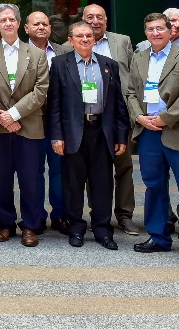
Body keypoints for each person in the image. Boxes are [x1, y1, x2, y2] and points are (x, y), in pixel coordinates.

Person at [126, 12, 179, 265]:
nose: (155, 33)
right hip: (148, 131)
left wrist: (165, 118)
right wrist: (140, 117)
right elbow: (129, 92)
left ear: (170, 31)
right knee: (153, 186)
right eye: (150, 29)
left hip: (178, 128)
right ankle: (158, 237)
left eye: (160, 28)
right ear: (145, 33)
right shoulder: (138, 58)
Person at [48, 20, 128, 250]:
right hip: (73, 131)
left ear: (94, 40)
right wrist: (56, 136)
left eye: (88, 36)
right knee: (73, 184)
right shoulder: (59, 64)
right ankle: (76, 228)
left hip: (101, 131)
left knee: (102, 183)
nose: (85, 39)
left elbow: (117, 103)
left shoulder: (109, 65)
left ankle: (103, 229)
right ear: (70, 41)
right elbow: (54, 104)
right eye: (79, 36)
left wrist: (121, 136)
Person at [0, 3, 49, 246]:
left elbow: (41, 91)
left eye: (12, 19)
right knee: (1, 180)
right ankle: (6, 224)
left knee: (30, 180)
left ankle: (30, 226)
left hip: (29, 126)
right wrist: (4, 117)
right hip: (0, 127)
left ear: (19, 24)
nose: (8, 23)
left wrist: (14, 114)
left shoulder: (36, 54)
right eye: (3, 20)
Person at [81, 2, 138, 235]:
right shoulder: (71, 43)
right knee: (93, 168)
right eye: (90, 17)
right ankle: (98, 213)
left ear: (106, 20)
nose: (95, 21)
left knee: (123, 165)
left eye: (100, 17)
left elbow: (133, 74)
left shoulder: (122, 41)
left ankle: (125, 215)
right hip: (88, 117)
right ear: (82, 20)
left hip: (118, 115)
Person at [26, 10, 70, 234]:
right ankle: (37, 216)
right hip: (29, 122)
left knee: (59, 170)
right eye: (36, 24)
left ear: (51, 29)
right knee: (33, 171)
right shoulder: (18, 52)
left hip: (59, 122)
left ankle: (60, 214)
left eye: (45, 24)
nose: (41, 27)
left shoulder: (65, 51)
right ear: (26, 28)